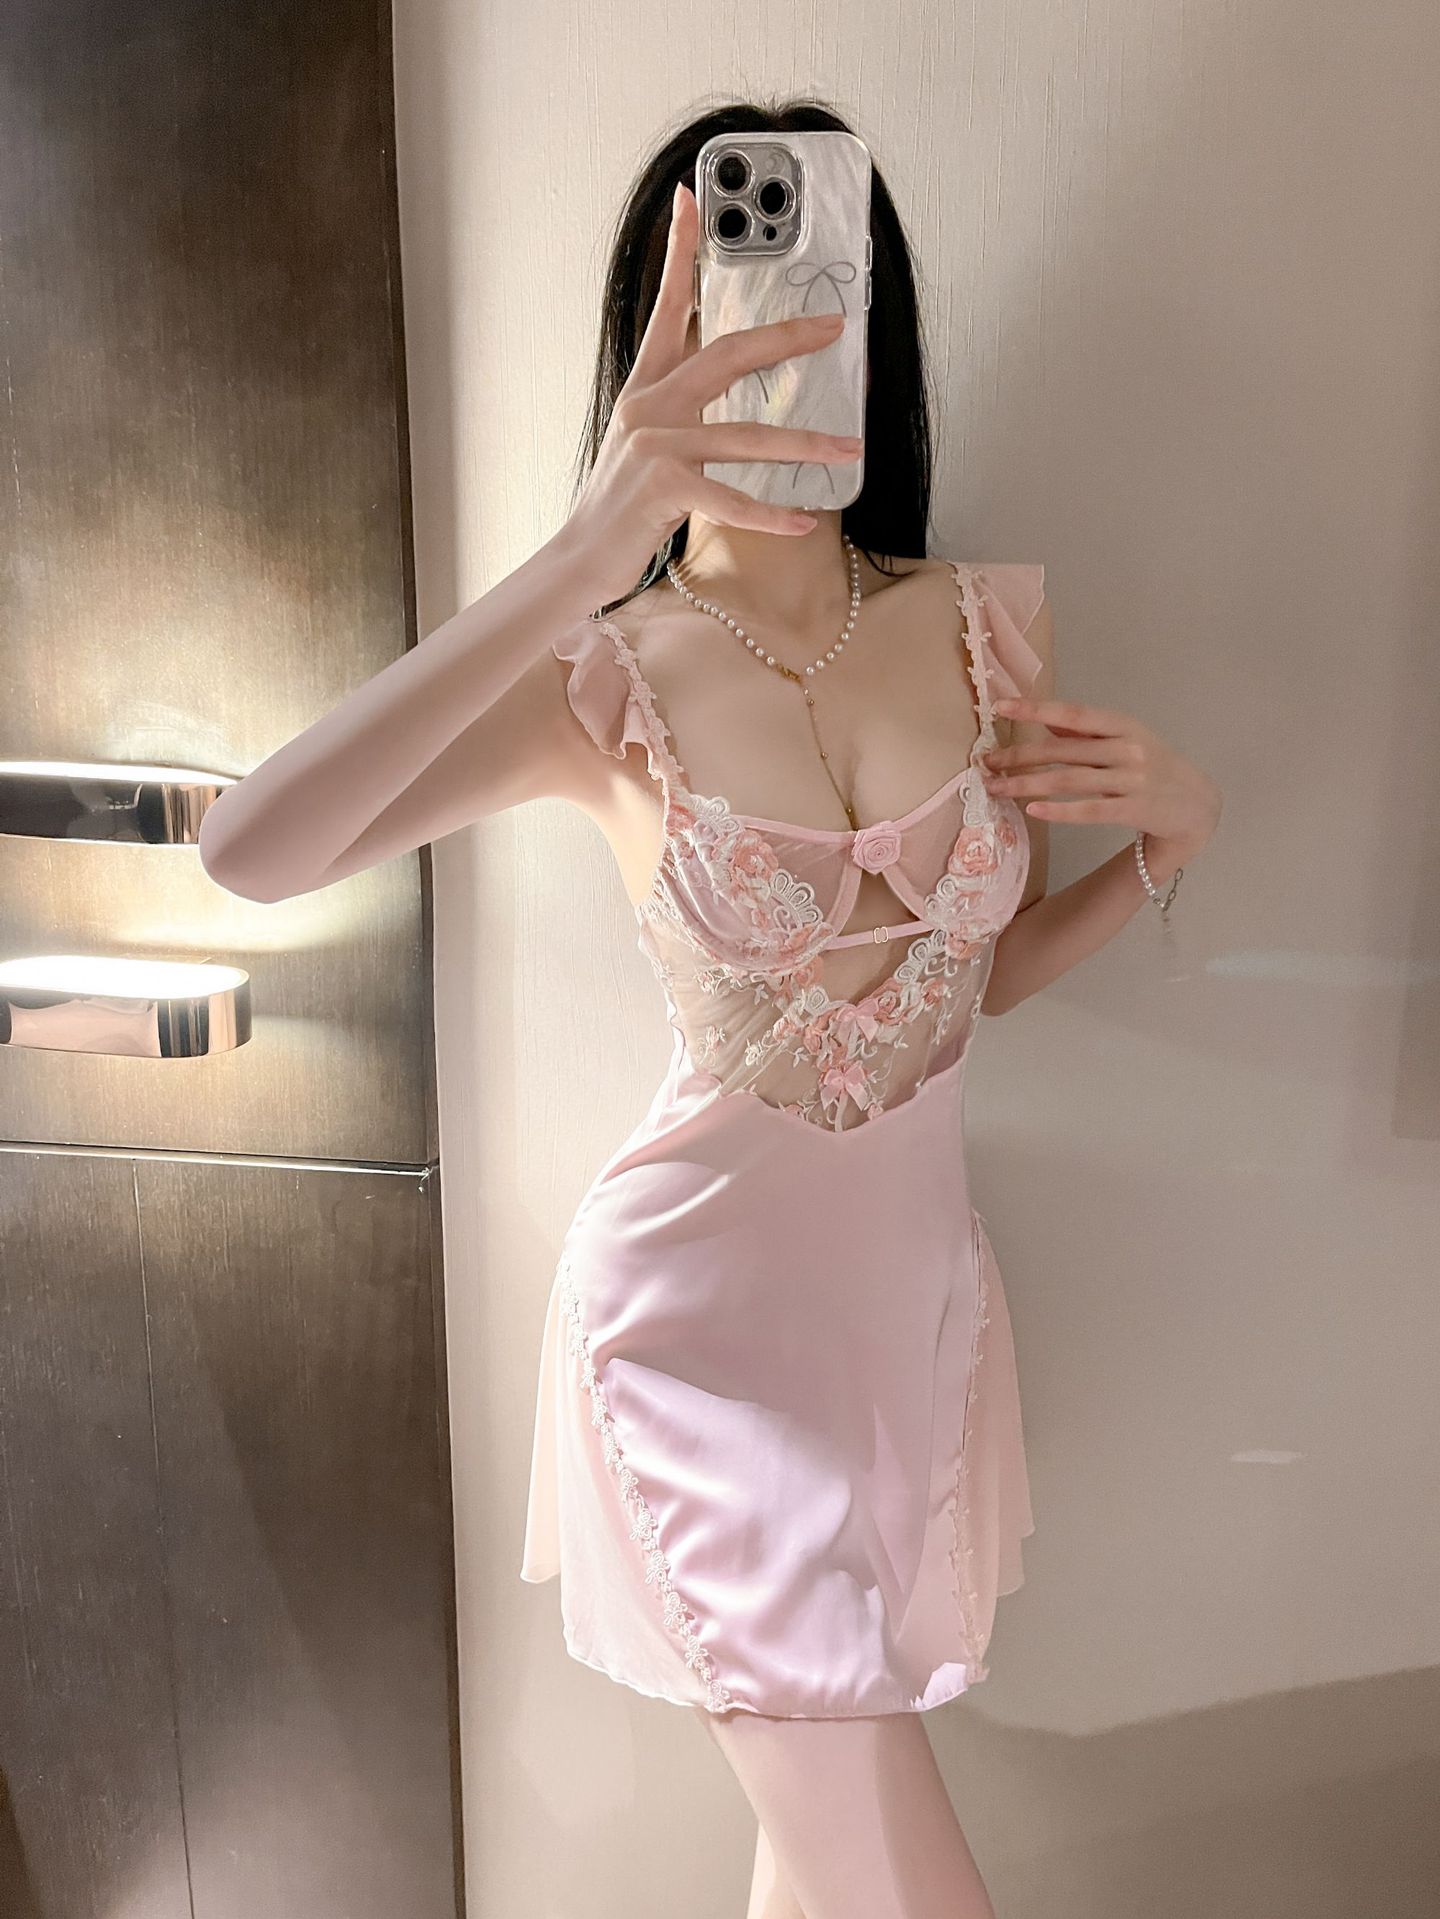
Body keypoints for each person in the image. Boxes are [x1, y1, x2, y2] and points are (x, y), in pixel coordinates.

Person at [200, 98, 1222, 1919]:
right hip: (696, 1341)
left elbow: (968, 986)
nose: (783, 339)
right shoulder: (600, 678)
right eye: (740, 297)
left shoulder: (980, 626)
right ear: (648, 346)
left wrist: (1166, 852)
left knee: (816, 1873)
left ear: (878, 326)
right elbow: (252, 851)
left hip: (902, 1329)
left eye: (824, 287)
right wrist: (579, 553)